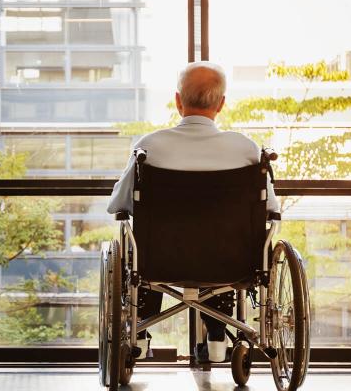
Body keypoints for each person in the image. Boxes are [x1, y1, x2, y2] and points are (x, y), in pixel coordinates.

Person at [107, 61, 279, 363]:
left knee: (140, 246)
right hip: (231, 263)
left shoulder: (149, 148)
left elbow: (118, 206)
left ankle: (139, 333)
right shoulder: (247, 150)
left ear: (178, 101)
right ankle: (217, 338)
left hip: (159, 262)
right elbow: (272, 210)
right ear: (222, 104)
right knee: (225, 244)